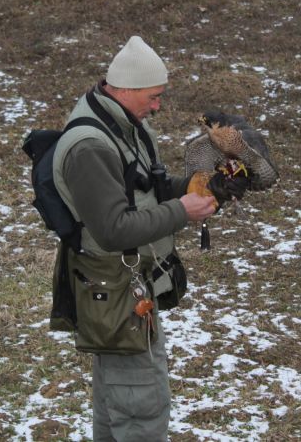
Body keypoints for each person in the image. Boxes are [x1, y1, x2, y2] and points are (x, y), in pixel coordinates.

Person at [51, 35, 220, 441]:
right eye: (153, 96)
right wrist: (183, 210)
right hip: (113, 288)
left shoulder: (125, 125)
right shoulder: (91, 146)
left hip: (127, 283)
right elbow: (113, 229)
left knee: (121, 402)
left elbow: (143, 188)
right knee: (140, 407)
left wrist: (198, 188)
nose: (158, 105)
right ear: (126, 88)